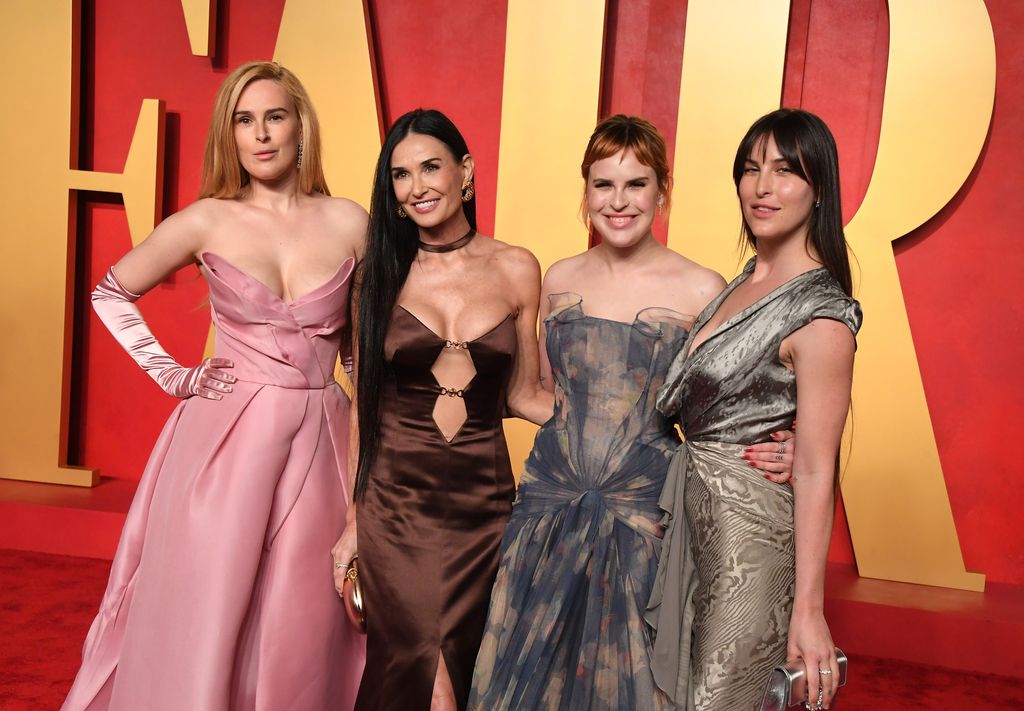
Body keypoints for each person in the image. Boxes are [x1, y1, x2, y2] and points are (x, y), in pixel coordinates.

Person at [62, 61, 366, 711]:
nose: (261, 134)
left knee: (304, 618)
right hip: (224, 443)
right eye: (244, 119)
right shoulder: (206, 220)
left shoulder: (350, 222)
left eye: (275, 116)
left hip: (323, 440)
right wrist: (172, 372)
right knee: (206, 611)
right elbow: (110, 291)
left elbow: (363, 365)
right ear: (229, 134)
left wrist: (366, 486)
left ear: (300, 126)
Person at [467, 115, 796, 711]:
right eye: (603, 184)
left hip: (646, 509)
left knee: (632, 675)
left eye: (637, 184)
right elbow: (532, 394)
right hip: (550, 504)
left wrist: (788, 442)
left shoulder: (702, 287)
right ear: (585, 191)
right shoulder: (559, 276)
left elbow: (729, 406)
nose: (619, 202)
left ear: (663, 191)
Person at [331, 108, 550, 711]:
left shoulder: (517, 268)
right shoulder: (378, 274)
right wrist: (353, 521)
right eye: (401, 176)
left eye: (431, 167)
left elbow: (525, 394)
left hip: (483, 509)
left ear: (466, 171)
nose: (419, 186)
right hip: (395, 506)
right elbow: (362, 406)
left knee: (464, 668)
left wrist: (636, 430)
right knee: (432, 684)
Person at [648, 108, 861, 711]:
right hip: (693, 523)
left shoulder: (821, 312)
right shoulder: (740, 281)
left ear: (820, 188)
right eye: (750, 169)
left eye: (785, 171)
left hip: (753, 545)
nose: (762, 187)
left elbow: (818, 467)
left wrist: (810, 613)